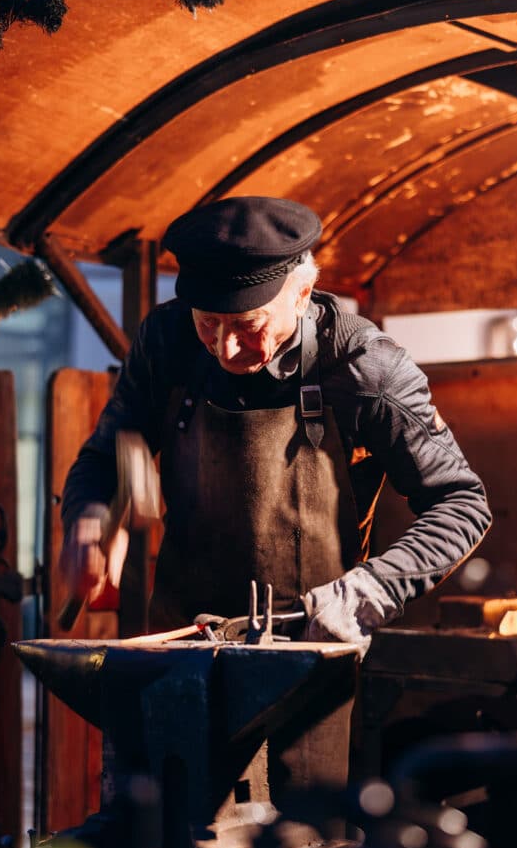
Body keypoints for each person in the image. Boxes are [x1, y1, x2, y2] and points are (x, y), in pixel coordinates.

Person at [60, 196, 491, 645]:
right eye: (208, 323)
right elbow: (104, 458)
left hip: (311, 648)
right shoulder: (166, 342)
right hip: (180, 645)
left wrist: (373, 589)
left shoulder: (364, 367)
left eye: (248, 325)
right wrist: (89, 518)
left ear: (302, 295)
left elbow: (460, 503)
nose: (225, 348)